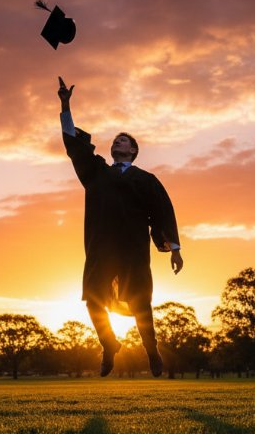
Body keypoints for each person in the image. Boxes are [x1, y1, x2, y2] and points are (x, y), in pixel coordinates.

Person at [57, 76, 183, 377]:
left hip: (132, 249)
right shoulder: (97, 172)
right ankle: (109, 343)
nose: (116, 142)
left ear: (133, 151)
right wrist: (65, 105)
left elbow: (163, 211)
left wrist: (174, 249)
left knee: (141, 303)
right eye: (114, 140)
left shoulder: (145, 179)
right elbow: (75, 146)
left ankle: (151, 351)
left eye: (123, 141)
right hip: (101, 247)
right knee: (92, 298)